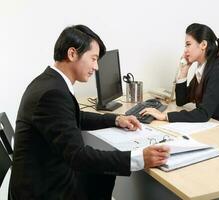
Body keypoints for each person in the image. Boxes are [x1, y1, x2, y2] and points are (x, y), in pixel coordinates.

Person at [9, 25, 170, 200]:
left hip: (44, 176)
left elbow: (74, 117)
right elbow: (78, 156)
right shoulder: (52, 93)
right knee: (102, 170)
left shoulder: (49, 82)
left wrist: (116, 119)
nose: (96, 67)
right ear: (72, 54)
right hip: (43, 191)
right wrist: (139, 158)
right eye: (93, 59)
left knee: (104, 173)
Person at [141, 23, 219, 127]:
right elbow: (181, 100)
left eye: (188, 44)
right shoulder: (202, 70)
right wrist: (184, 70)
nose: (185, 50)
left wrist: (165, 116)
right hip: (212, 126)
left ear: (203, 45)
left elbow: (203, 114)